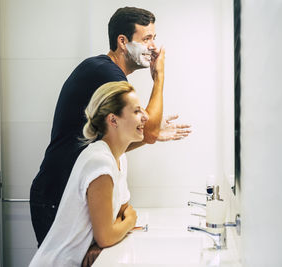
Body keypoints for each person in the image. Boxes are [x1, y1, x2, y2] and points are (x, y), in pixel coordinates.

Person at [29, 6, 190, 265]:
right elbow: (146, 131)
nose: (154, 46)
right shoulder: (106, 74)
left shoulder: (104, 72)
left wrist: (149, 134)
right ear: (122, 42)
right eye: (146, 38)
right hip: (56, 192)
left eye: (154, 37)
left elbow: (115, 143)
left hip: (71, 189)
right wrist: (159, 77)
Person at [29, 81, 146, 266]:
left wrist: (121, 221)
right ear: (113, 120)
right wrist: (130, 221)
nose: (145, 116)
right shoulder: (99, 162)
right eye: (137, 111)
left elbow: (122, 209)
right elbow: (107, 236)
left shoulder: (119, 157)